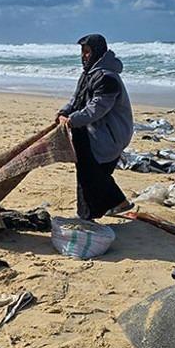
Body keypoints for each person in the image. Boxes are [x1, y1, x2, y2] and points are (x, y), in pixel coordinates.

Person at [56, 34, 134, 220]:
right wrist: (63, 113)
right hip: (93, 131)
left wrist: (71, 121)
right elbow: (75, 101)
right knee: (90, 173)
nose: (84, 56)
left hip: (110, 135)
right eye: (82, 51)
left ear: (97, 52)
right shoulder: (87, 75)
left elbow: (96, 109)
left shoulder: (107, 79)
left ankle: (94, 212)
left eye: (88, 51)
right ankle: (107, 207)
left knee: (91, 173)